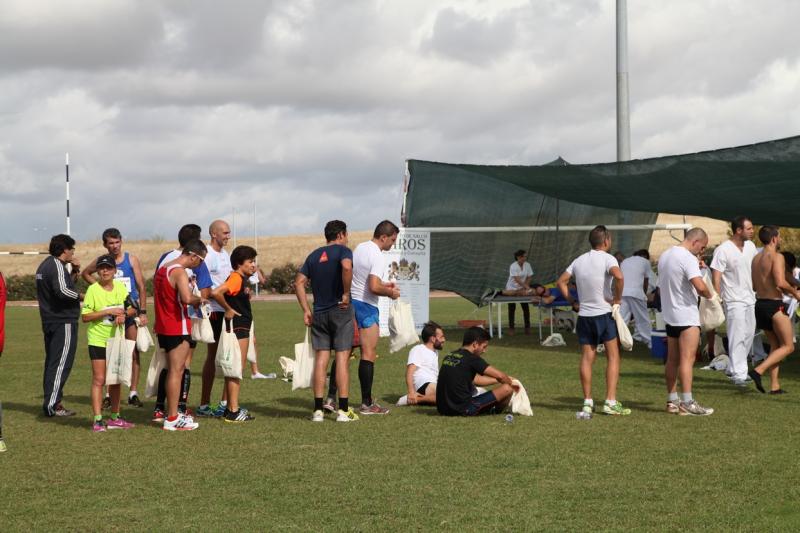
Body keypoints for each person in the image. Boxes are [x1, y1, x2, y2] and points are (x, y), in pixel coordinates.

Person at [556, 225, 630, 416]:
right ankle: (610, 401)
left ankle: (587, 401)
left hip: (584, 316)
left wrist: (572, 301)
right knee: (613, 356)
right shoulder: (608, 258)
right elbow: (619, 276)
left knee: (587, 359)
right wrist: (618, 299)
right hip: (603, 315)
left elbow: (561, 281)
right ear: (606, 241)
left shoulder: (579, 260)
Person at [295, 220, 359, 422]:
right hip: (340, 310)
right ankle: (344, 410)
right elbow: (347, 267)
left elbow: (298, 282)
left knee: (321, 360)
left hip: (319, 312)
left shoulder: (314, 255)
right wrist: (346, 293)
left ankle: (318, 410)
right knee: (341, 358)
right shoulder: (344, 251)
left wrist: (306, 310)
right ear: (341, 234)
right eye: (346, 234)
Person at [152, 224, 213, 421]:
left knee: (171, 370)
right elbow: (187, 298)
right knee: (177, 371)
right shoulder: (179, 272)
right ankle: (173, 417)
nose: (199, 264)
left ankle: (170, 413)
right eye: (201, 260)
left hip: (164, 324)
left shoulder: (163, 268)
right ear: (193, 255)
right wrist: (200, 299)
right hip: (177, 325)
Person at [82, 228, 148, 408]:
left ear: (121, 241)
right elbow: (85, 273)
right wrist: (99, 287)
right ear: (105, 245)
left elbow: (142, 286)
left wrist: (142, 311)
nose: (114, 246)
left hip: (129, 311)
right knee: (111, 354)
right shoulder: (102, 262)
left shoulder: (131, 259)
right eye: (110, 243)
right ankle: (109, 395)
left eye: (117, 242)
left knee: (132, 351)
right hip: (108, 315)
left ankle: (133, 392)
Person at [658, 228, 714, 415]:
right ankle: (687, 402)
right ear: (695, 241)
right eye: (703, 247)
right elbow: (699, 286)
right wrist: (711, 295)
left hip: (670, 315)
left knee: (672, 360)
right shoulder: (687, 257)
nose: (702, 251)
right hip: (686, 315)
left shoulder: (665, 255)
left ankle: (672, 400)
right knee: (687, 360)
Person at [350, 220, 401, 415]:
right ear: (383, 237)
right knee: (368, 354)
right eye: (393, 240)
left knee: (344, 352)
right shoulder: (378, 256)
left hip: (352, 303)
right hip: (367, 307)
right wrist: (390, 293)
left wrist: (383, 284)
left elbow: (362, 279)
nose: (393, 244)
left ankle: (330, 398)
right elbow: (372, 286)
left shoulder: (360, 247)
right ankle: (367, 404)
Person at [81, 254, 136, 432]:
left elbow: (132, 307)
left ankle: (115, 417)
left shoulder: (120, 288)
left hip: (116, 340)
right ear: (97, 271)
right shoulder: (93, 290)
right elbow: (85, 317)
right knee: (99, 379)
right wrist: (107, 312)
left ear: (114, 271)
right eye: (101, 268)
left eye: (108, 268)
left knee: (115, 380)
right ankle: (97, 420)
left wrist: (124, 315)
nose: (105, 271)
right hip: (98, 340)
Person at [210, 245, 258, 423]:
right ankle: (233, 410)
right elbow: (216, 292)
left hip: (240, 327)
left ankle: (230, 407)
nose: (254, 265)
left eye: (254, 261)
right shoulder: (236, 278)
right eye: (250, 261)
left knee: (234, 368)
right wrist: (229, 309)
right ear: (239, 264)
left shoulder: (240, 279)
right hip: (239, 327)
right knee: (236, 369)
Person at [749, 226, 800, 394]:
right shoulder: (777, 257)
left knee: (775, 345)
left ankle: (775, 386)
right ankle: (758, 371)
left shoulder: (756, 258)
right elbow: (780, 282)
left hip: (760, 305)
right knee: (788, 346)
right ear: (773, 239)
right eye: (779, 237)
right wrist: (795, 293)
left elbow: (756, 286)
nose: (780, 240)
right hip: (774, 306)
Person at [36, 234, 82, 417]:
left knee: (53, 363)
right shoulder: (55, 265)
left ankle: (52, 402)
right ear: (65, 249)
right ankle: (53, 405)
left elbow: (63, 286)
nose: (73, 252)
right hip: (63, 321)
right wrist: (82, 297)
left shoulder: (45, 265)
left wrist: (74, 272)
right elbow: (63, 291)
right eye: (72, 249)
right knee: (61, 363)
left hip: (50, 320)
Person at [709, 216, 757, 385]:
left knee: (749, 333)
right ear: (739, 230)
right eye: (749, 228)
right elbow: (716, 275)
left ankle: (733, 367)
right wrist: (718, 297)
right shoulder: (723, 249)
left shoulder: (751, 246)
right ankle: (739, 374)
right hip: (733, 299)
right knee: (736, 335)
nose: (752, 231)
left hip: (750, 298)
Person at [436, 327, 517, 416]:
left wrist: (496, 380)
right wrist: (513, 383)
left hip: (442, 409)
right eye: (484, 346)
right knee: (507, 389)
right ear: (475, 344)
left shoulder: (450, 355)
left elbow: (476, 380)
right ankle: (493, 411)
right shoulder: (472, 359)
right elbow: (500, 376)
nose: (484, 351)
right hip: (463, 409)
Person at [197, 219, 232, 417]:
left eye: (228, 232)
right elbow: (205, 287)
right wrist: (217, 296)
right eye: (225, 233)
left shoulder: (225, 254)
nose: (228, 236)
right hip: (215, 311)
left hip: (226, 309)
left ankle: (224, 402)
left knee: (228, 354)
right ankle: (204, 404)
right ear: (214, 234)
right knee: (214, 355)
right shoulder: (208, 255)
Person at [397, 321, 445, 406]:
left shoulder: (435, 352)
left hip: (432, 385)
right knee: (447, 395)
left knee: (451, 395)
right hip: (423, 384)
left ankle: (420, 399)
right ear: (433, 339)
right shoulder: (418, 349)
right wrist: (411, 392)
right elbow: (409, 372)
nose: (444, 340)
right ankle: (411, 398)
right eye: (441, 337)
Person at [619, 249, 654, 348]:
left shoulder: (625, 261)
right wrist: (644, 294)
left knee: (622, 319)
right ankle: (650, 342)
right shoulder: (646, 262)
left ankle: (619, 341)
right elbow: (646, 281)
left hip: (623, 292)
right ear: (645, 257)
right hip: (636, 292)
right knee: (642, 319)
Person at [502, 250, 533, 335]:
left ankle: (527, 328)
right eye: (523, 256)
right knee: (512, 308)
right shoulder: (513, 266)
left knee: (525, 308)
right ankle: (511, 328)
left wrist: (525, 287)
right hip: (511, 289)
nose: (525, 258)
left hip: (522, 289)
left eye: (525, 256)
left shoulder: (528, 265)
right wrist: (527, 288)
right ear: (518, 257)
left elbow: (530, 277)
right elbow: (517, 279)